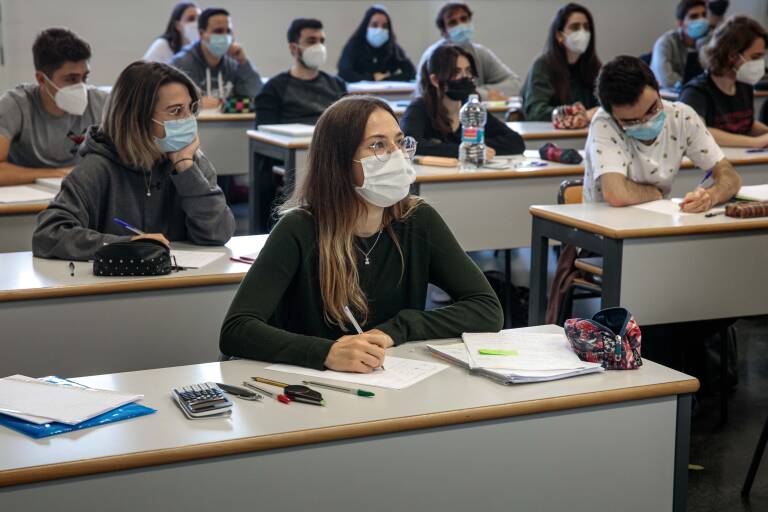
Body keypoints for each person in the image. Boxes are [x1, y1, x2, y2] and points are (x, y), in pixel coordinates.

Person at [221, 95, 503, 371]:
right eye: (378, 145)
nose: (397, 155)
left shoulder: (417, 219)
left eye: (400, 142)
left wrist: (397, 329)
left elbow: (487, 308)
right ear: (340, 162)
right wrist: (326, 352)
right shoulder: (299, 228)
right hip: (310, 390)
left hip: (390, 380)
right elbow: (236, 329)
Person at [32, 61, 235, 260]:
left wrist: (185, 167)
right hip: (116, 288)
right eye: (175, 111)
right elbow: (49, 234)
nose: (188, 119)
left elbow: (218, 233)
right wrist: (126, 245)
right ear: (137, 118)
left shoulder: (191, 162)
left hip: (180, 284)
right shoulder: (97, 167)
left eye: (191, 108)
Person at [584, 55, 741, 212]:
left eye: (652, 109)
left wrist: (710, 196)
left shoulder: (681, 115)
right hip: (606, 226)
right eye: (631, 122)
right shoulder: (604, 122)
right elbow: (617, 194)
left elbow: (730, 177)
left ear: (658, 88)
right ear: (612, 115)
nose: (647, 122)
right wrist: (654, 193)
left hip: (658, 222)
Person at [0, 28, 108, 187]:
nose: (81, 87)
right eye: (71, 79)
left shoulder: (101, 102)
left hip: (81, 193)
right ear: (41, 79)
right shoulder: (16, 104)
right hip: (27, 200)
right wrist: (55, 174)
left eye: (85, 77)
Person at [401, 44, 524, 158]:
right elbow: (410, 145)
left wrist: (476, 148)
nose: (465, 77)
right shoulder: (419, 108)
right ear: (435, 80)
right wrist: (462, 150)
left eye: (468, 71)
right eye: (456, 72)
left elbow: (515, 141)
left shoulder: (471, 108)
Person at [680, 16, 768, 148]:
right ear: (732, 55)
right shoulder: (695, 92)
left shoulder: (744, 86)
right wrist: (756, 142)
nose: (760, 64)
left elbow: (746, 125)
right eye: (755, 57)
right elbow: (698, 132)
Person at [416, 2, 520, 100]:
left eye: (464, 19)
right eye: (453, 22)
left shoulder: (480, 53)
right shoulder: (432, 56)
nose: (460, 25)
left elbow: (515, 84)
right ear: (444, 32)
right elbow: (425, 93)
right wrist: (478, 94)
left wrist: (479, 92)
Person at [255, 18, 347, 126]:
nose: (319, 47)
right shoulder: (274, 88)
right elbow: (264, 134)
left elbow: (347, 126)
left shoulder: (337, 84)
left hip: (330, 141)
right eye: (311, 41)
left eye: (321, 41)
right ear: (294, 48)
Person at [521, 3, 601, 122]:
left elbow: (607, 105)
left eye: (586, 27)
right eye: (575, 27)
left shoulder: (595, 67)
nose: (582, 32)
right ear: (559, 35)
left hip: (587, 133)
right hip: (551, 135)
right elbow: (536, 111)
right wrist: (573, 113)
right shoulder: (543, 66)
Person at [170, 7, 261, 109]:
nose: (225, 36)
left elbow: (256, 97)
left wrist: (243, 62)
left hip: (231, 124)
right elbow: (174, 103)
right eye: (218, 31)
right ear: (201, 34)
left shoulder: (234, 62)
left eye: (228, 31)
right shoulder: (181, 63)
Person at [337, 5, 416, 83]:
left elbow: (411, 72)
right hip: (358, 93)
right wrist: (372, 78)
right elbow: (344, 73)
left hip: (387, 93)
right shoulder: (354, 45)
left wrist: (385, 78)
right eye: (374, 25)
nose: (379, 29)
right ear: (366, 27)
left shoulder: (392, 47)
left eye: (384, 26)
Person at [651, 0, 709, 89]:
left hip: (699, 93)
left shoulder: (709, 42)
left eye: (704, 15)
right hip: (670, 97)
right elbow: (666, 80)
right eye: (694, 16)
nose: (701, 20)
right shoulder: (665, 42)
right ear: (680, 23)